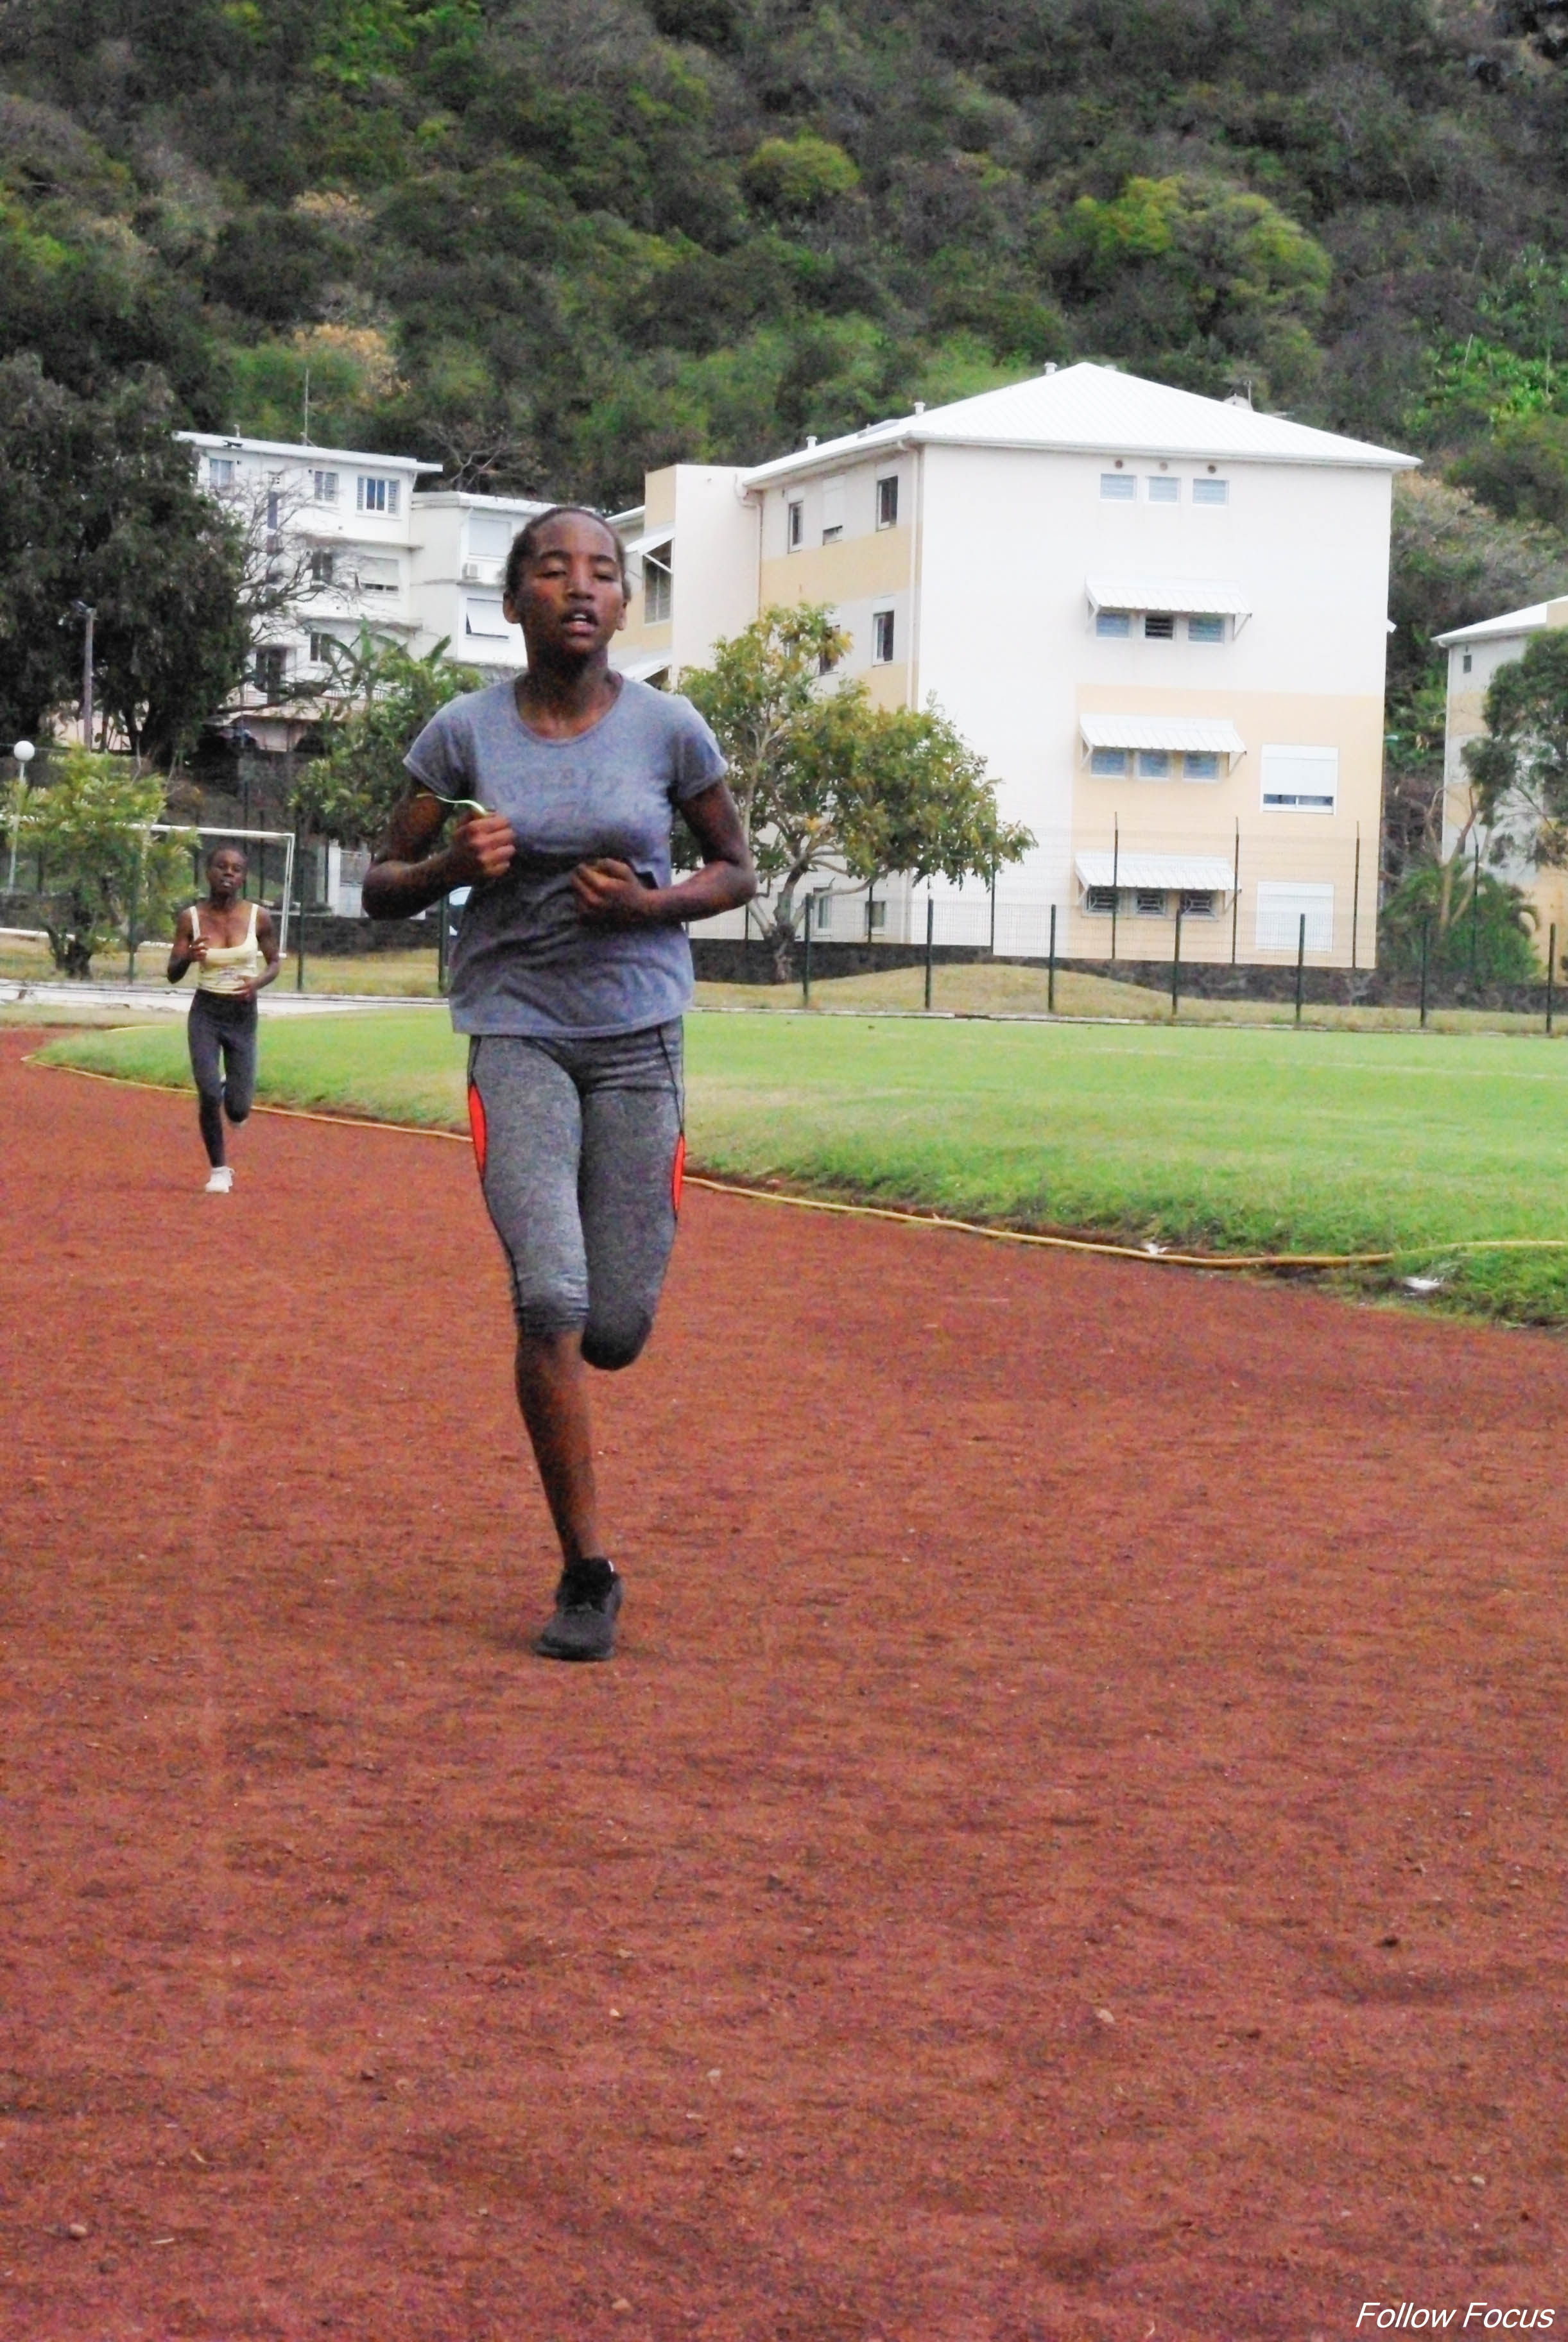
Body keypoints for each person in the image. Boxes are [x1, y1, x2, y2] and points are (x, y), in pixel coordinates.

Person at [363, 506, 756, 1662]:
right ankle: (587, 1569)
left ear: (623, 604)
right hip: (515, 1032)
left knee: (613, 1327)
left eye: (601, 571)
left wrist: (649, 905)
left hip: (638, 1038)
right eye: (552, 568)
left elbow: (735, 869)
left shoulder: (669, 728)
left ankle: (598, 1325)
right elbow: (380, 882)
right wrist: (447, 865)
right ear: (512, 599)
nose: (579, 586)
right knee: (550, 1298)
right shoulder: (462, 733)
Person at [167, 844, 280, 1193]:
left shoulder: (259, 917)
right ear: (208, 872)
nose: (228, 873)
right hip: (207, 1013)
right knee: (208, 1092)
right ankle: (219, 1170)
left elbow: (274, 963)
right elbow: (172, 973)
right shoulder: (191, 918)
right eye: (221, 866)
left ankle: (234, 1094)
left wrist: (256, 983)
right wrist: (189, 957)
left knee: (238, 1109)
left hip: (242, 1014)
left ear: (244, 877)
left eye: (236, 869)